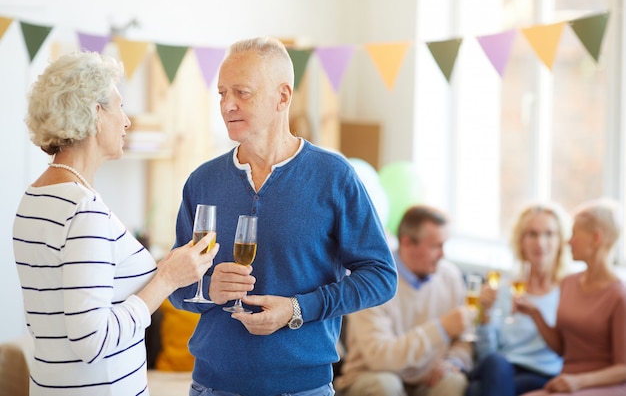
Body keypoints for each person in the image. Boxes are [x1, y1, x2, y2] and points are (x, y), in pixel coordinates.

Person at [168, 37, 398, 396]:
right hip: (211, 387)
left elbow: (382, 276)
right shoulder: (202, 181)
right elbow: (176, 285)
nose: (227, 105)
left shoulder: (334, 176)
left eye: (242, 93)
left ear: (283, 97)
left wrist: (297, 309)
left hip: (302, 388)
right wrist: (208, 288)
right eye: (222, 93)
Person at [12, 51, 218, 396]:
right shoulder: (83, 210)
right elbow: (92, 341)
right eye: (119, 107)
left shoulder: (34, 198)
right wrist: (167, 279)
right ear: (95, 113)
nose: (126, 121)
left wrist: (162, 268)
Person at [334, 204, 474, 396]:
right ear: (407, 243)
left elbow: (464, 339)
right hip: (372, 375)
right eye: (436, 246)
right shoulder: (373, 281)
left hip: (426, 378)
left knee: (453, 381)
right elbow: (379, 357)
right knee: (388, 386)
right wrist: (440, 329)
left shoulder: (451, 276)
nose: (443, 255)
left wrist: (453, 361)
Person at [517, 198, 626, 396]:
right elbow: (561, 348)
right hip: (566, 381)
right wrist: (536, 315)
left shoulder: (619, 296)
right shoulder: (568, 283)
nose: (568, 241)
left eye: (575, 234)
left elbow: (623, 367)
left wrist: (579, 381)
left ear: (596, 238)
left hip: (601, 386)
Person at [465, 201, 571, 396]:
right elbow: (486, 354)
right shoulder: (504, 290)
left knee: (475, 391)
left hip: (543, 373)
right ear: (520, 241)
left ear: (561, 241)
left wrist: (536, 315)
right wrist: (485, 315)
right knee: (495, 363)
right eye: (532, 234)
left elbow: (566, 350)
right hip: (501, 368)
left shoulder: (568, 290)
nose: (540, 242)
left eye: (549, 234)